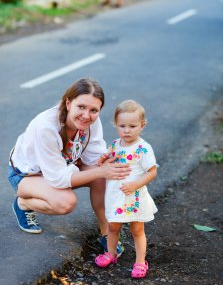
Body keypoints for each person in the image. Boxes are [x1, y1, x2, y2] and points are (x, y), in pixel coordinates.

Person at [8, 77, 130, 256]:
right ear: (68, 103)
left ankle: (107, 234)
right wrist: (100, 170)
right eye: (81, 107)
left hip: (60, 167)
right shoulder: (46, 127)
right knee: (65, 203)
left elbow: (95, 157)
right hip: (26, 175)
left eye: (94, 110)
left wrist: (119, 162)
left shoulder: (90, 122)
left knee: (103, 175)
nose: (87, 115)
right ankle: (23, 203)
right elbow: (58, 179)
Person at [94, 100, 158, 279]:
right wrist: (103, 159)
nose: (127, 130)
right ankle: (111, 253)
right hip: (115, 196)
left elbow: (152, 172)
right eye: (122, 126)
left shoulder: (143, 148)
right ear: (116, 125)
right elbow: (110, 160)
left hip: (133, 195)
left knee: (137, 229)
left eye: (132, 126)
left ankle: (140, 261)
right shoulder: (115, 144)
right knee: (113, 226)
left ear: (142, 125)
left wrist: (135, 184)